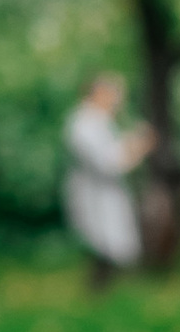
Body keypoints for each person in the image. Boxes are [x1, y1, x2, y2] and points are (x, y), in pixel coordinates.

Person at [61, 71, 152, 289]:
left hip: (105, 193)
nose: (118, 102)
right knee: (103, 244)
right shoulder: (83, 123)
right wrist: (137, 147)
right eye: (115, 95)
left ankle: (107, 294)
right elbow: (107, 162)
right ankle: (98, 294)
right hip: (94, 194)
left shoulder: (98, 122)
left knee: (113, 244)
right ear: (100, 93)